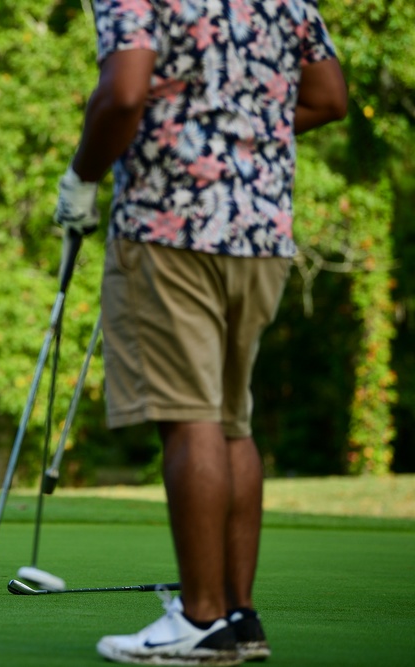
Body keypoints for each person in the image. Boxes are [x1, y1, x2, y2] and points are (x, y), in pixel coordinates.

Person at [54, 1, 347, 664]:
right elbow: (329, 97)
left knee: (189, 417)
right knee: (230, 418)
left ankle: (200, 616)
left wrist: (84, 175)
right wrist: (249, 134)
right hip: (263, 228)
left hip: (170, 226)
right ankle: (239, 616)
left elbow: (125, 90)